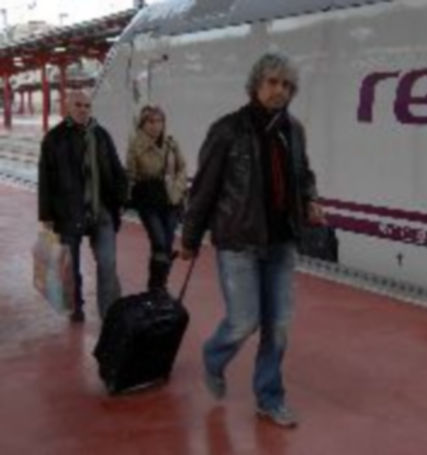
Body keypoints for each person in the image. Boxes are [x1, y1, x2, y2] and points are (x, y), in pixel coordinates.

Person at [179, 52, 325, 427]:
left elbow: (303, 174)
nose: (280, 90)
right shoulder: (227, 130)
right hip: (238, 242)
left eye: (287, 85)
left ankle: (269, 398)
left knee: (278, 326)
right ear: (256, 84)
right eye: (273, 82)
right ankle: (213, 357)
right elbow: (204, 189)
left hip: (281, 243)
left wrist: (310, 198)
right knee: (244, 321)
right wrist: (189, 238)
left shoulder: (294, 130)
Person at [38, 91, 127, 322]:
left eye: (87, 105)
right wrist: (46, 215)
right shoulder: (54, 138)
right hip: (69, 212)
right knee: (71, 266)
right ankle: (76, 306)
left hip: (102, 210)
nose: (83, 109)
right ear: (68, 106)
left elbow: (116, 169)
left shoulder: (101, 135)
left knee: (107, 264)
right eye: (78, 105)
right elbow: (46, 179)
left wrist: (121, 200)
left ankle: (109, 314)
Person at [126, 105, 187, 292]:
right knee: (159, 242)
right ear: (143, 124)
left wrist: (178, 189)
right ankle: (155, 285)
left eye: (159, 121)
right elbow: (131, 175)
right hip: (149, 202)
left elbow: (182, 168)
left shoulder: (171, 143)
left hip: (171, 200)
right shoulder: (136, 146)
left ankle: (160, 285)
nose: (155, 126)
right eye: (151, 122)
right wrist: (128, 196)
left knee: (166, 245)